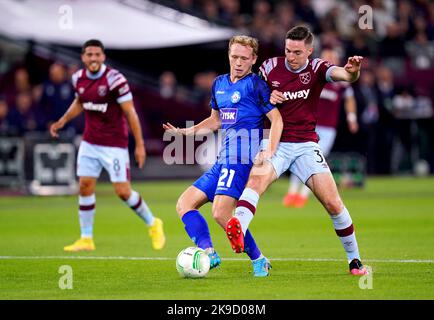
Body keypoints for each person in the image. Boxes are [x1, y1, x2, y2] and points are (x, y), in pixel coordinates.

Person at [226, 26, 368, 276]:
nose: (290, 57)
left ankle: (354, 260)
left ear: (309, 51)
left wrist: (352, 72)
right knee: (255, 182)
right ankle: (237, 226)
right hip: (275, 141)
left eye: (297, 52)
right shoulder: (270, 67)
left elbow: (343, 76)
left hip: (305, 145)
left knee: (333, 204)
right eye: (287, 50)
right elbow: (253, 92)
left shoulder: (317, 68)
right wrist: (269, 96)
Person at [163, 35, 282, 277]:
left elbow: (276, 119)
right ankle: (209, 252)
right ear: (229, 55)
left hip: (240, 159)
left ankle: (259, 259)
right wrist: (187, 131)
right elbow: (215, 120)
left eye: (244, 58)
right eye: (234, 56)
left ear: (253, 60)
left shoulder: (255, 85)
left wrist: (269, 148)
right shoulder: (219, 84)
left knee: (220, 213)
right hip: (223, 159)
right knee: (184, 204)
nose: (238, 62)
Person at [50, 39, 166, 252]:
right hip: (90, 142)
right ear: (83, 57)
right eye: (89, 54)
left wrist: (140, 145)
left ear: (103, 57)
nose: (93, 58)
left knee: (122, 192)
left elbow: (130, 112)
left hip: (114, 144)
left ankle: (153, 223)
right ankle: (86, 238)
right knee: (84, 186)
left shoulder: (115, 79)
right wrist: (63, 120)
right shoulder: (78, 78)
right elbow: (80, 101)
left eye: (97, 54)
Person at [283, 48, 359, 208]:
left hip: (328, 129)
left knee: (316, 160)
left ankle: (302, 196)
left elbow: (350, 99)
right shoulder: (314, 77)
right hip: (309, 126)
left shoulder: (340, 82)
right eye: (327, 56)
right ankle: (292, 193)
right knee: (298, 158)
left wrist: (352, 118)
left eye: (332, 56)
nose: (330, 59)